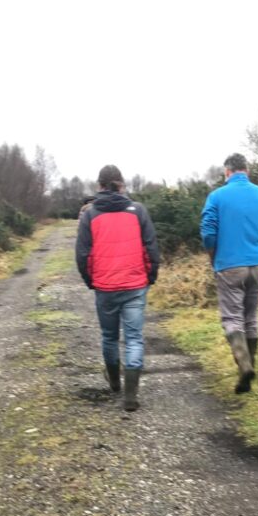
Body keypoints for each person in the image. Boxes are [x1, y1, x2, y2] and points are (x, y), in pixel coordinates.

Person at [76, 165, 160, 411]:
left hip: (105, 285)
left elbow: (82, 254)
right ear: (121, 184)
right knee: (134, 338)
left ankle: (114, 381)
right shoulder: (139, 211)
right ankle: (130, 395)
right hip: (135, 284)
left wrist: (90, 280)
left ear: (100, 186)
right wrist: (150, 276)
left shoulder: (89, 215)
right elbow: (151, 248)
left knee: (109, 336)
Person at [200, 153, 258, 393]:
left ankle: (244, 365)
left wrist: (213, 257)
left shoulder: (216, 196)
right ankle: (250, 365)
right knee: (251, 317)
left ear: (227, 172)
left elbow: (208, 233)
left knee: (232, 318)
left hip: (229, 265)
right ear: (247, 171)